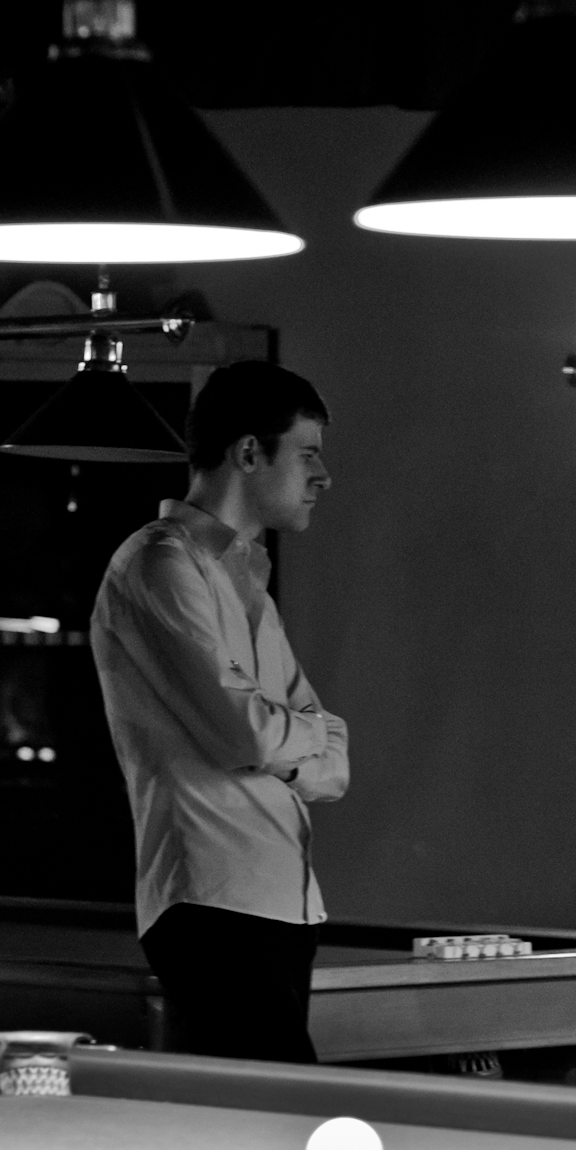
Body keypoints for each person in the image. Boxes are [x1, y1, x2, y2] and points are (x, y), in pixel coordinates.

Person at [90, 360, 348, 1062]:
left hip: (282, 905)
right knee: (278, 1110)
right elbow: (248, 734)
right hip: (213, 903)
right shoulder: (158, 563)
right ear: (248, 453)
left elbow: (334, 765)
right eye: (307, 454)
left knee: (268, 1112)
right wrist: (296, 739)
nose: (323, 477)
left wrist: (287, 740)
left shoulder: (245, 579)